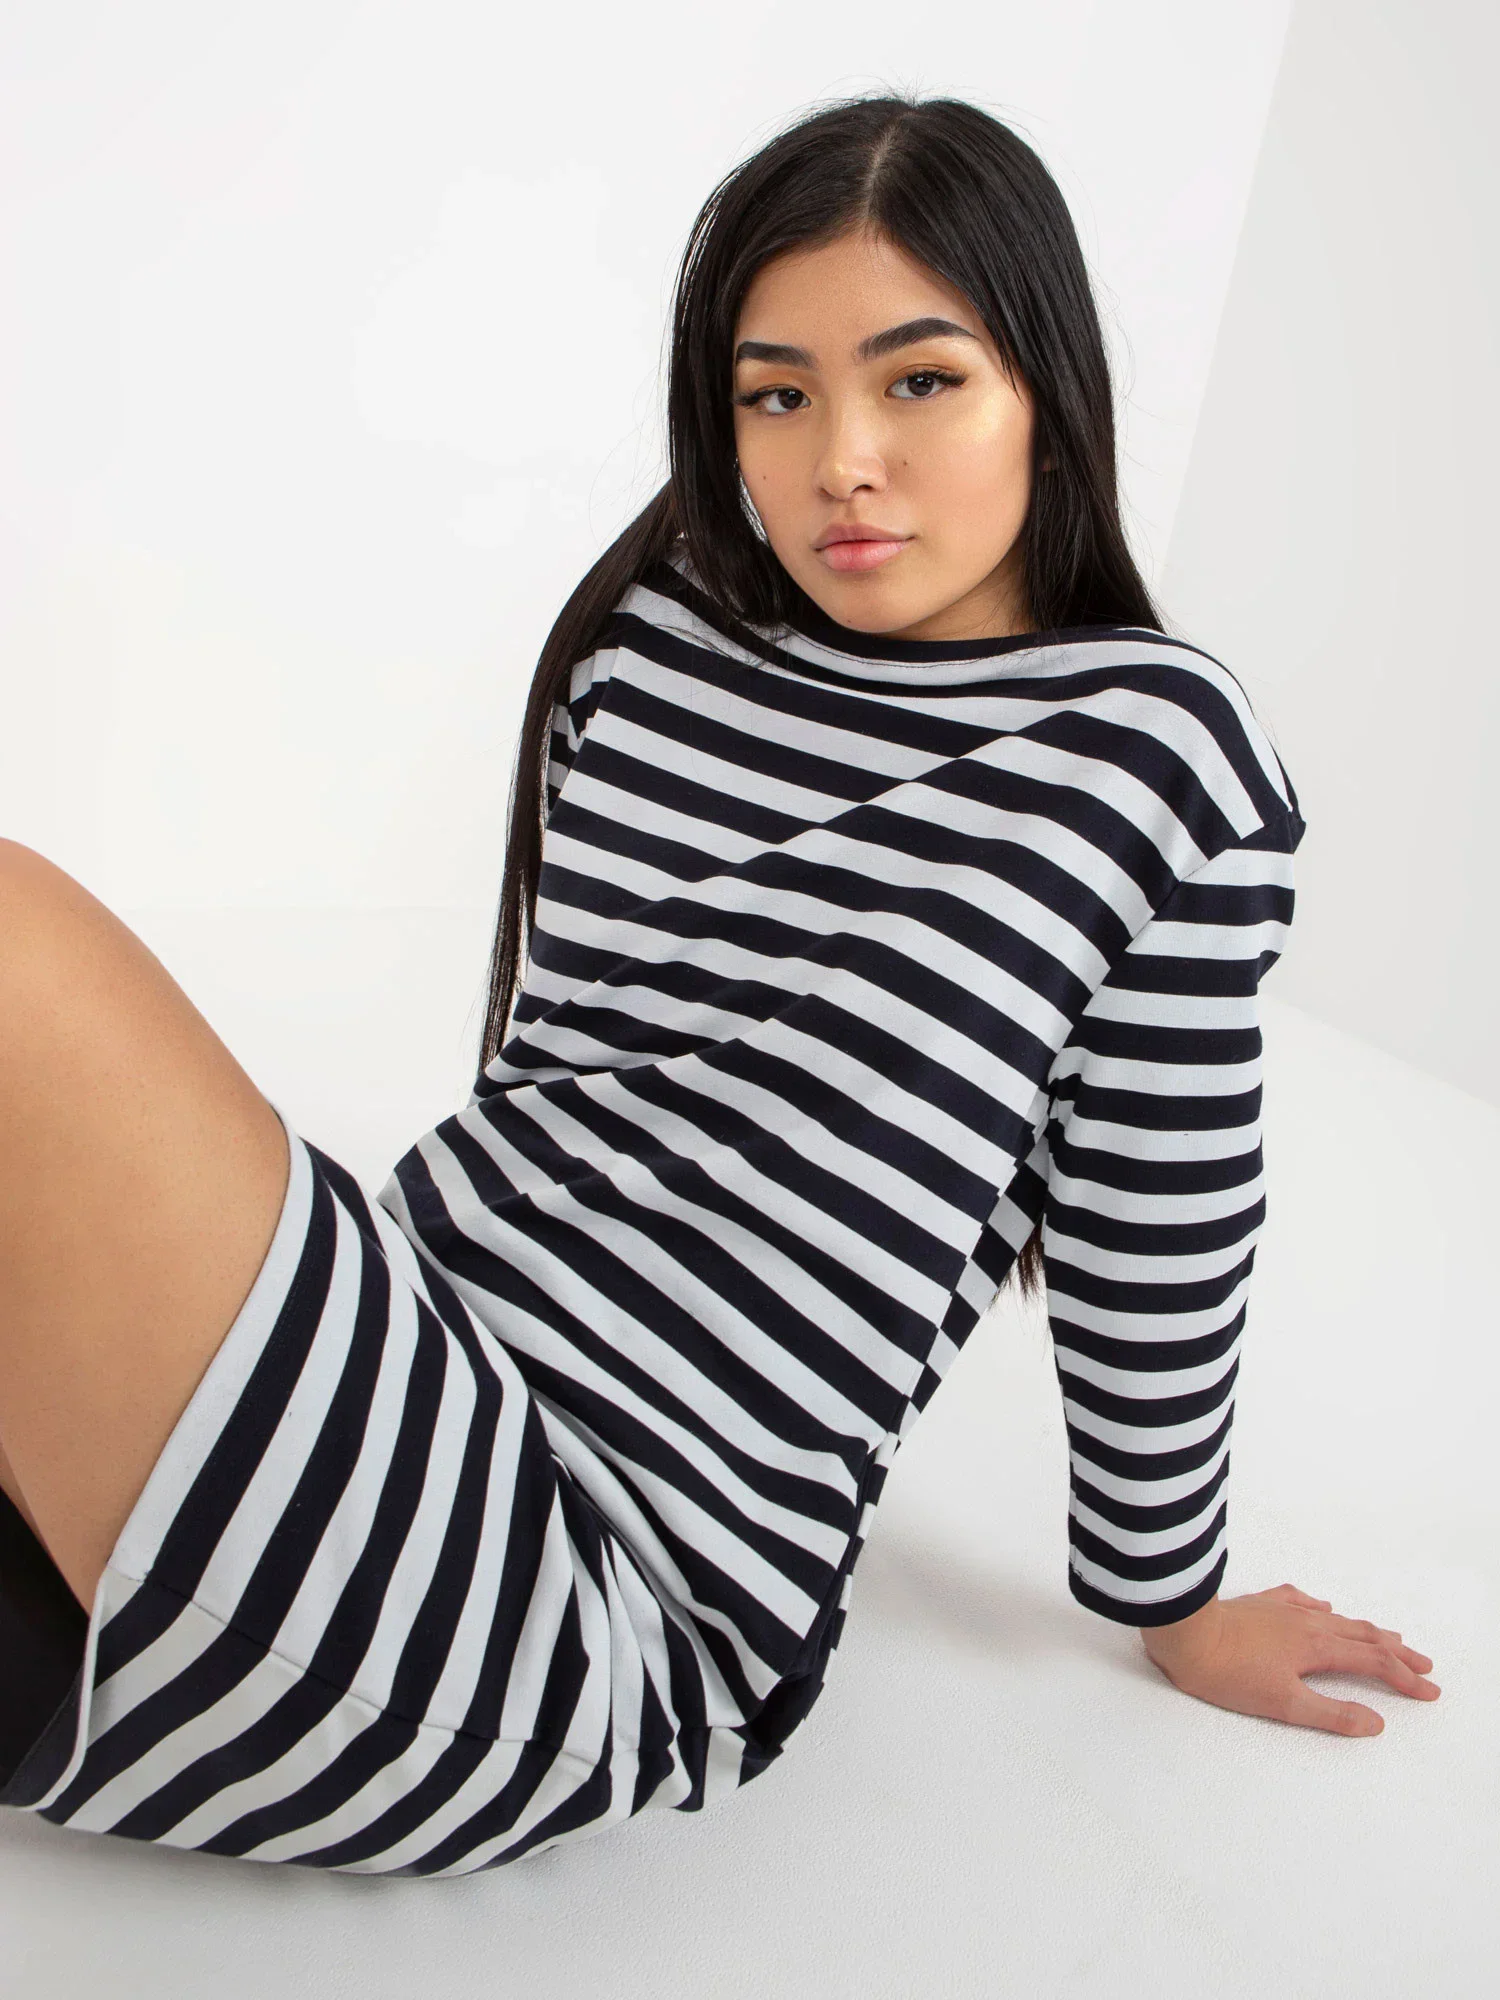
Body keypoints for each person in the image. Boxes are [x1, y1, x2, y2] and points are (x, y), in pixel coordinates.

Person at [0, 91, 1439, 1879]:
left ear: (1048, 392)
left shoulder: (1150, 750)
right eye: (778, 395)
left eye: (922, 381)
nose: (843, 459)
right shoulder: (661, 631)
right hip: (392, 1374)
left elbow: (1162, 1218)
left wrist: (1176, 1594)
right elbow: (561, 1086)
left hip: (567, 1590)